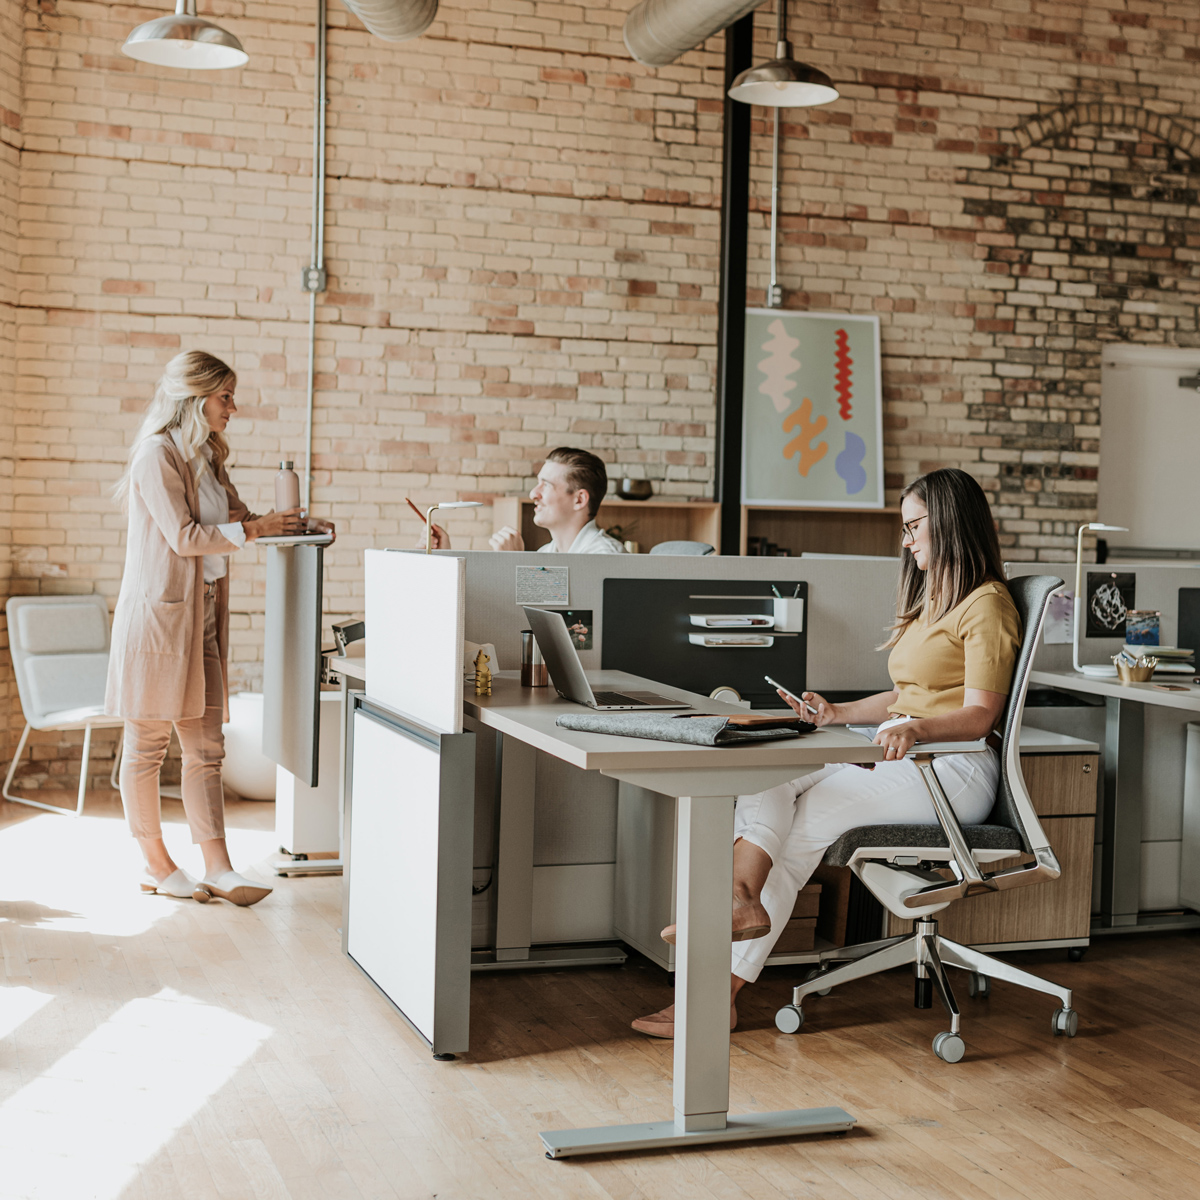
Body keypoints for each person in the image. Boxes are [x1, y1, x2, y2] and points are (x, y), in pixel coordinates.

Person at [630, 467, 1020, 1038]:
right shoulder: (937, 600)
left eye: (915, 526)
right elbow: (906, 694)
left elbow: (980, 714)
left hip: (953, 768)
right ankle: (739, 900)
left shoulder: (987, 606)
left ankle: (717, 991)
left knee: (806, 820)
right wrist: (836, 714)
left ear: (951, 524)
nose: (907, 540)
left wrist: (914, 731)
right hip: (909, 754)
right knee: (771, 772)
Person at [106, 350, 336, 906]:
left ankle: (218, 867)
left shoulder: (207, 456)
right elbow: (185, 537)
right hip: (159, 622)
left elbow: (239, 521)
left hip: (203, 616)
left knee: (207, 748)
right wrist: (257, 529)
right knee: (148, 746)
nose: (234, 407)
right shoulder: (155, 455)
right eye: (225, 396)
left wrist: (296, 526)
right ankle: (156, 863)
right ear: (195, 397)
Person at [423, 447, 627, 553]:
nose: (533, 494)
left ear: (579, 499)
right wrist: (444, 555)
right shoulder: (546, 554)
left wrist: (517, 563)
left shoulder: (606, 558)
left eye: (546, 485)